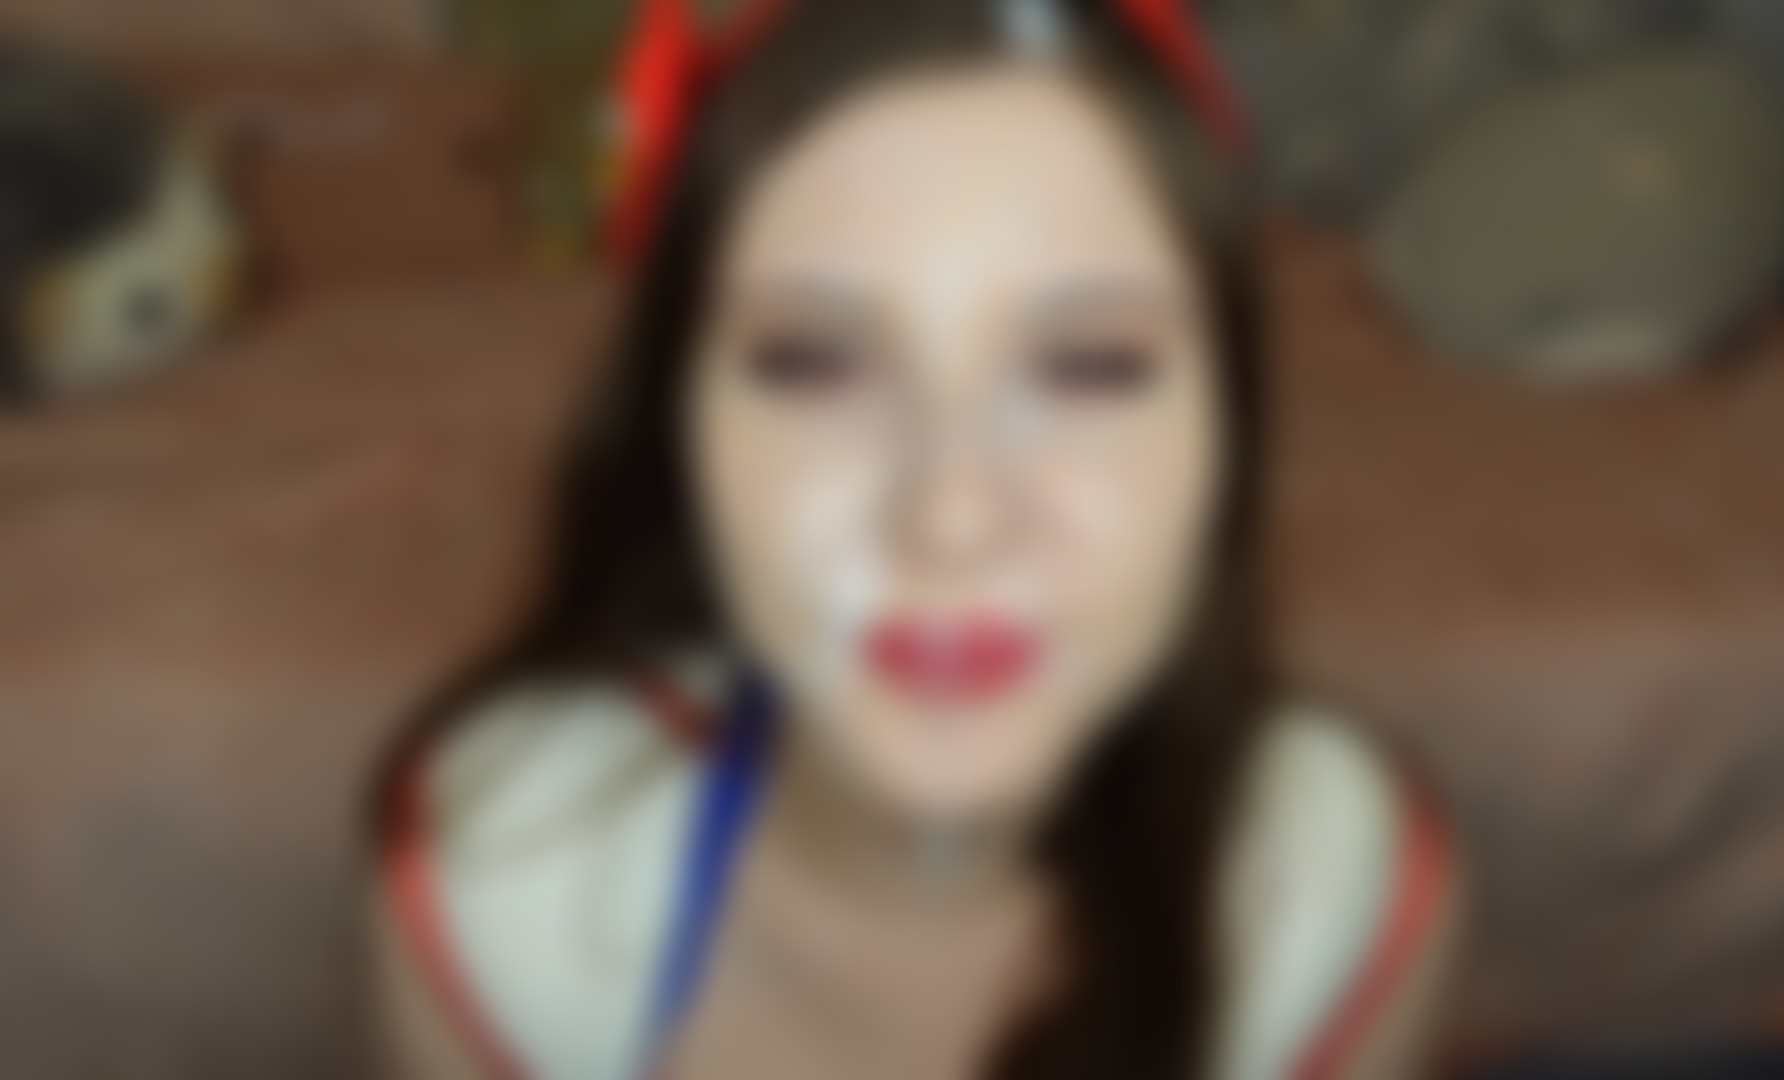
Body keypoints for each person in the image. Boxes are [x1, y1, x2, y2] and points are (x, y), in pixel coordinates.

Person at [370, 1, 1461, 1077]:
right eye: (814, 363)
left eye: (1089, 366)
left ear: (1230, 435)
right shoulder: (498, 893)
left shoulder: (1339, 906)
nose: (952, 515)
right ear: (678, 430)